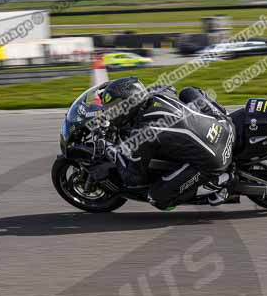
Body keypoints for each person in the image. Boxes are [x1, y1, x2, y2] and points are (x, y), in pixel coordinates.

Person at [100, 77, 235, 210]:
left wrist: (111, 150)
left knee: (157, 198)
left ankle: (220, 181)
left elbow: (133, 179)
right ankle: (223, 112)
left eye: (115, 107)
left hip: (216, 159)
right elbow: (170, 88)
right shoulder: (157, 94)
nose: (111, 112)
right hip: (224, 125)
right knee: (188, 92)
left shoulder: (143, 134)